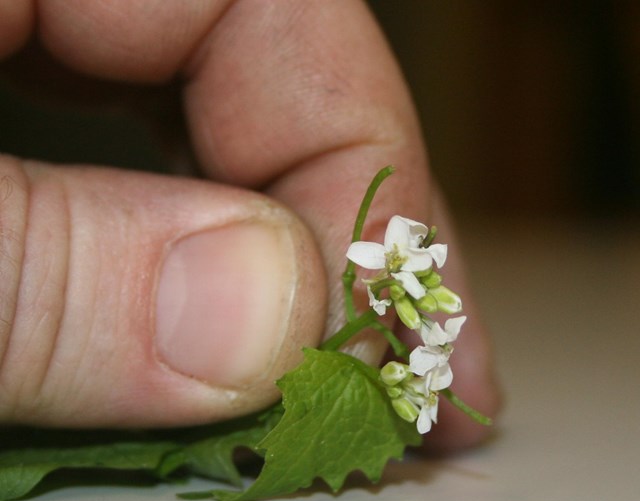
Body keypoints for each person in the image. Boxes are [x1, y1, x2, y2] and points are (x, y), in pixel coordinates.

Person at [0, 0, 499, 453]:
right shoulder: (373, 268)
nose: (391, 264)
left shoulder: (378, 279)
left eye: (396, 265)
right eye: (394, 262)